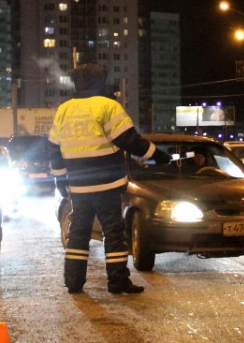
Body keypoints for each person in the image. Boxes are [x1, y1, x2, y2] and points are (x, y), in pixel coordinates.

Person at [48, 63, 171, 295]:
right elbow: (129, 140)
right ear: (100, 81)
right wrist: (157, 155)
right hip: (108, 185)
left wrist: (60, 181)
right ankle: (118, 282)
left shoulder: (64, 109)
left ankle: (73, 282)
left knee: (78, 233)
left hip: (79, 185)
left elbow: (54, 149)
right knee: (113, 234)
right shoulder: (108, 106)